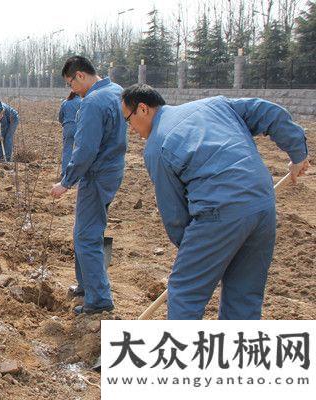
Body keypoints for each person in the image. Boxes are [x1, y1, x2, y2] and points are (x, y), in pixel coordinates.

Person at [121, 83, 310, 319]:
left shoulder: (156, 146)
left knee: (184, 293)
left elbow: (175, 215)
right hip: (262, 204)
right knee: (244, 296)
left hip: (219, 212)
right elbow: (268, 112)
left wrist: (201, 255)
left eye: (127, 119)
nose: (130, 129)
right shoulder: (214, 105)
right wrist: (298, 154)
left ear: (142, 109)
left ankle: (184, 355)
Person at [50, 56, 128, 315]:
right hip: (112, 169)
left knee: (87, 235)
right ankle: (86, 285)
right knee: (85, 230)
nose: (71, 89)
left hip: (97, 174)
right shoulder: (115, 91)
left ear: (80, 76)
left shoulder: (93, 102)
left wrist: (66, 182)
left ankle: (99, 299)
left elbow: (85, 150)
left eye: (70, 83)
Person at [58, 91, 82, 176]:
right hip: (80, 128)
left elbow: (60, 117)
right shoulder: (82, 102)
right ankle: (76, 173)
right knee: (79, 151)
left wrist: (65, 124)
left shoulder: (65, 102)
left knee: (67, 150)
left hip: (68, 127)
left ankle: (65, 173)